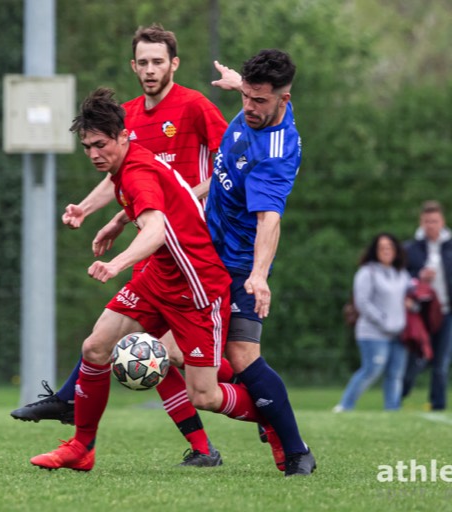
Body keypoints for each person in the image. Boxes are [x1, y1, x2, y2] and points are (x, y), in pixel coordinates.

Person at [29, 87, 287, 473]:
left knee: (205, 395)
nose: (94, 154)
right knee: (96, 348)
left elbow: (155, 231)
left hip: (196, 288)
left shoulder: (138, 173)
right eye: (87, 147)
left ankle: (276, 422)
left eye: (100, 145)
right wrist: (100, 216)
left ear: (122, 137)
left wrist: (116, 264)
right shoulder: (124, 163)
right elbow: (129, 201)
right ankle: (82, 448)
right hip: (158, 279)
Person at [11, 24, 229, 467]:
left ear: (174, 63)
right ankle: (85, 428)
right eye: (143, 62)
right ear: (134, 66)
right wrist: (91, 211)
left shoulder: (194, 105)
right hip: (155, 246)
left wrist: (187, 196)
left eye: (158, 61)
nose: (150, 70)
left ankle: (259, 403)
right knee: (128, 349)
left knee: (177, 358)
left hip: (195, 245)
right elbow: (120, 176)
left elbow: (230, 166)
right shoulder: (124, 118)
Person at [206, 49, 316, 475]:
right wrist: (238, 82)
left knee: (243, 355)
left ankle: (295, 450)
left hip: (235, 265)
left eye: (259, 101)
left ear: (283, 100)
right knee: (172, 341)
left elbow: (270, 219)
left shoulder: (274, 153)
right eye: (246, 98)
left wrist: (258, 275)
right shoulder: (259, 102)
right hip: (205, 249)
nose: (249, 108)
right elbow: (249, 94)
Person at [332, 233, 413, 411]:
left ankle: (393, 409)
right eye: (382, 247)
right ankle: (345, 405)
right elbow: (362, 302)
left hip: (399, 332)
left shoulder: (401, 273)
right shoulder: (367, 272)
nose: (386, 251)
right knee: (371, 370)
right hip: (373, 333)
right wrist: (383, 321)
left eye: (389, 247)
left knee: (395, 374)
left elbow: (409, 296)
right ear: (375, 250)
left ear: (396, 250)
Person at [402, 201, 452, 410]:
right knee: (417, 361)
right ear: (421, 223)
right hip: (420, 314)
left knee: (441, 363)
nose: (431, 225)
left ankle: (438, 404)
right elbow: (400, 278)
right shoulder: (410, 249)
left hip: (446, 313)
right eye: (427, 221)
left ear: (442, 222)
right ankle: (397, 396)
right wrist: (418, 277)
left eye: (435, 221)